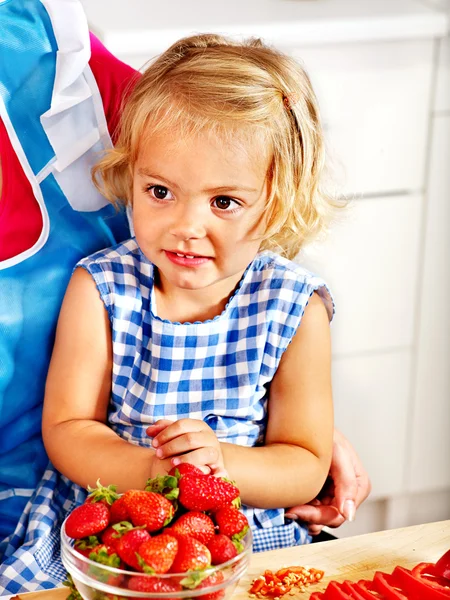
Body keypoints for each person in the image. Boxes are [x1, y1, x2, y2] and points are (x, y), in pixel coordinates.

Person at [0, 3, 370, 594]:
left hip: (237, 527)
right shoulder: (99, 286)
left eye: (224, 201)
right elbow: (69, 428)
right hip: (112, 521)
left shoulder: (297, 307)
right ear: (128, 174)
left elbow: (304, 462)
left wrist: (220, 466)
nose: (185, 226)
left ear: (276, 202)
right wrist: (151, 473)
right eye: (160, 191)